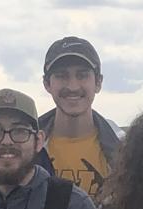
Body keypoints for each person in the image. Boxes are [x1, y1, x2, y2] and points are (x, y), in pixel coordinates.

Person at [34, 36, 121, 199]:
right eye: (61, 75)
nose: (72, 86)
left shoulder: (126, 149)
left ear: (98, 82)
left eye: (82, 75)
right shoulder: (26, 147)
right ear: (46, 84)